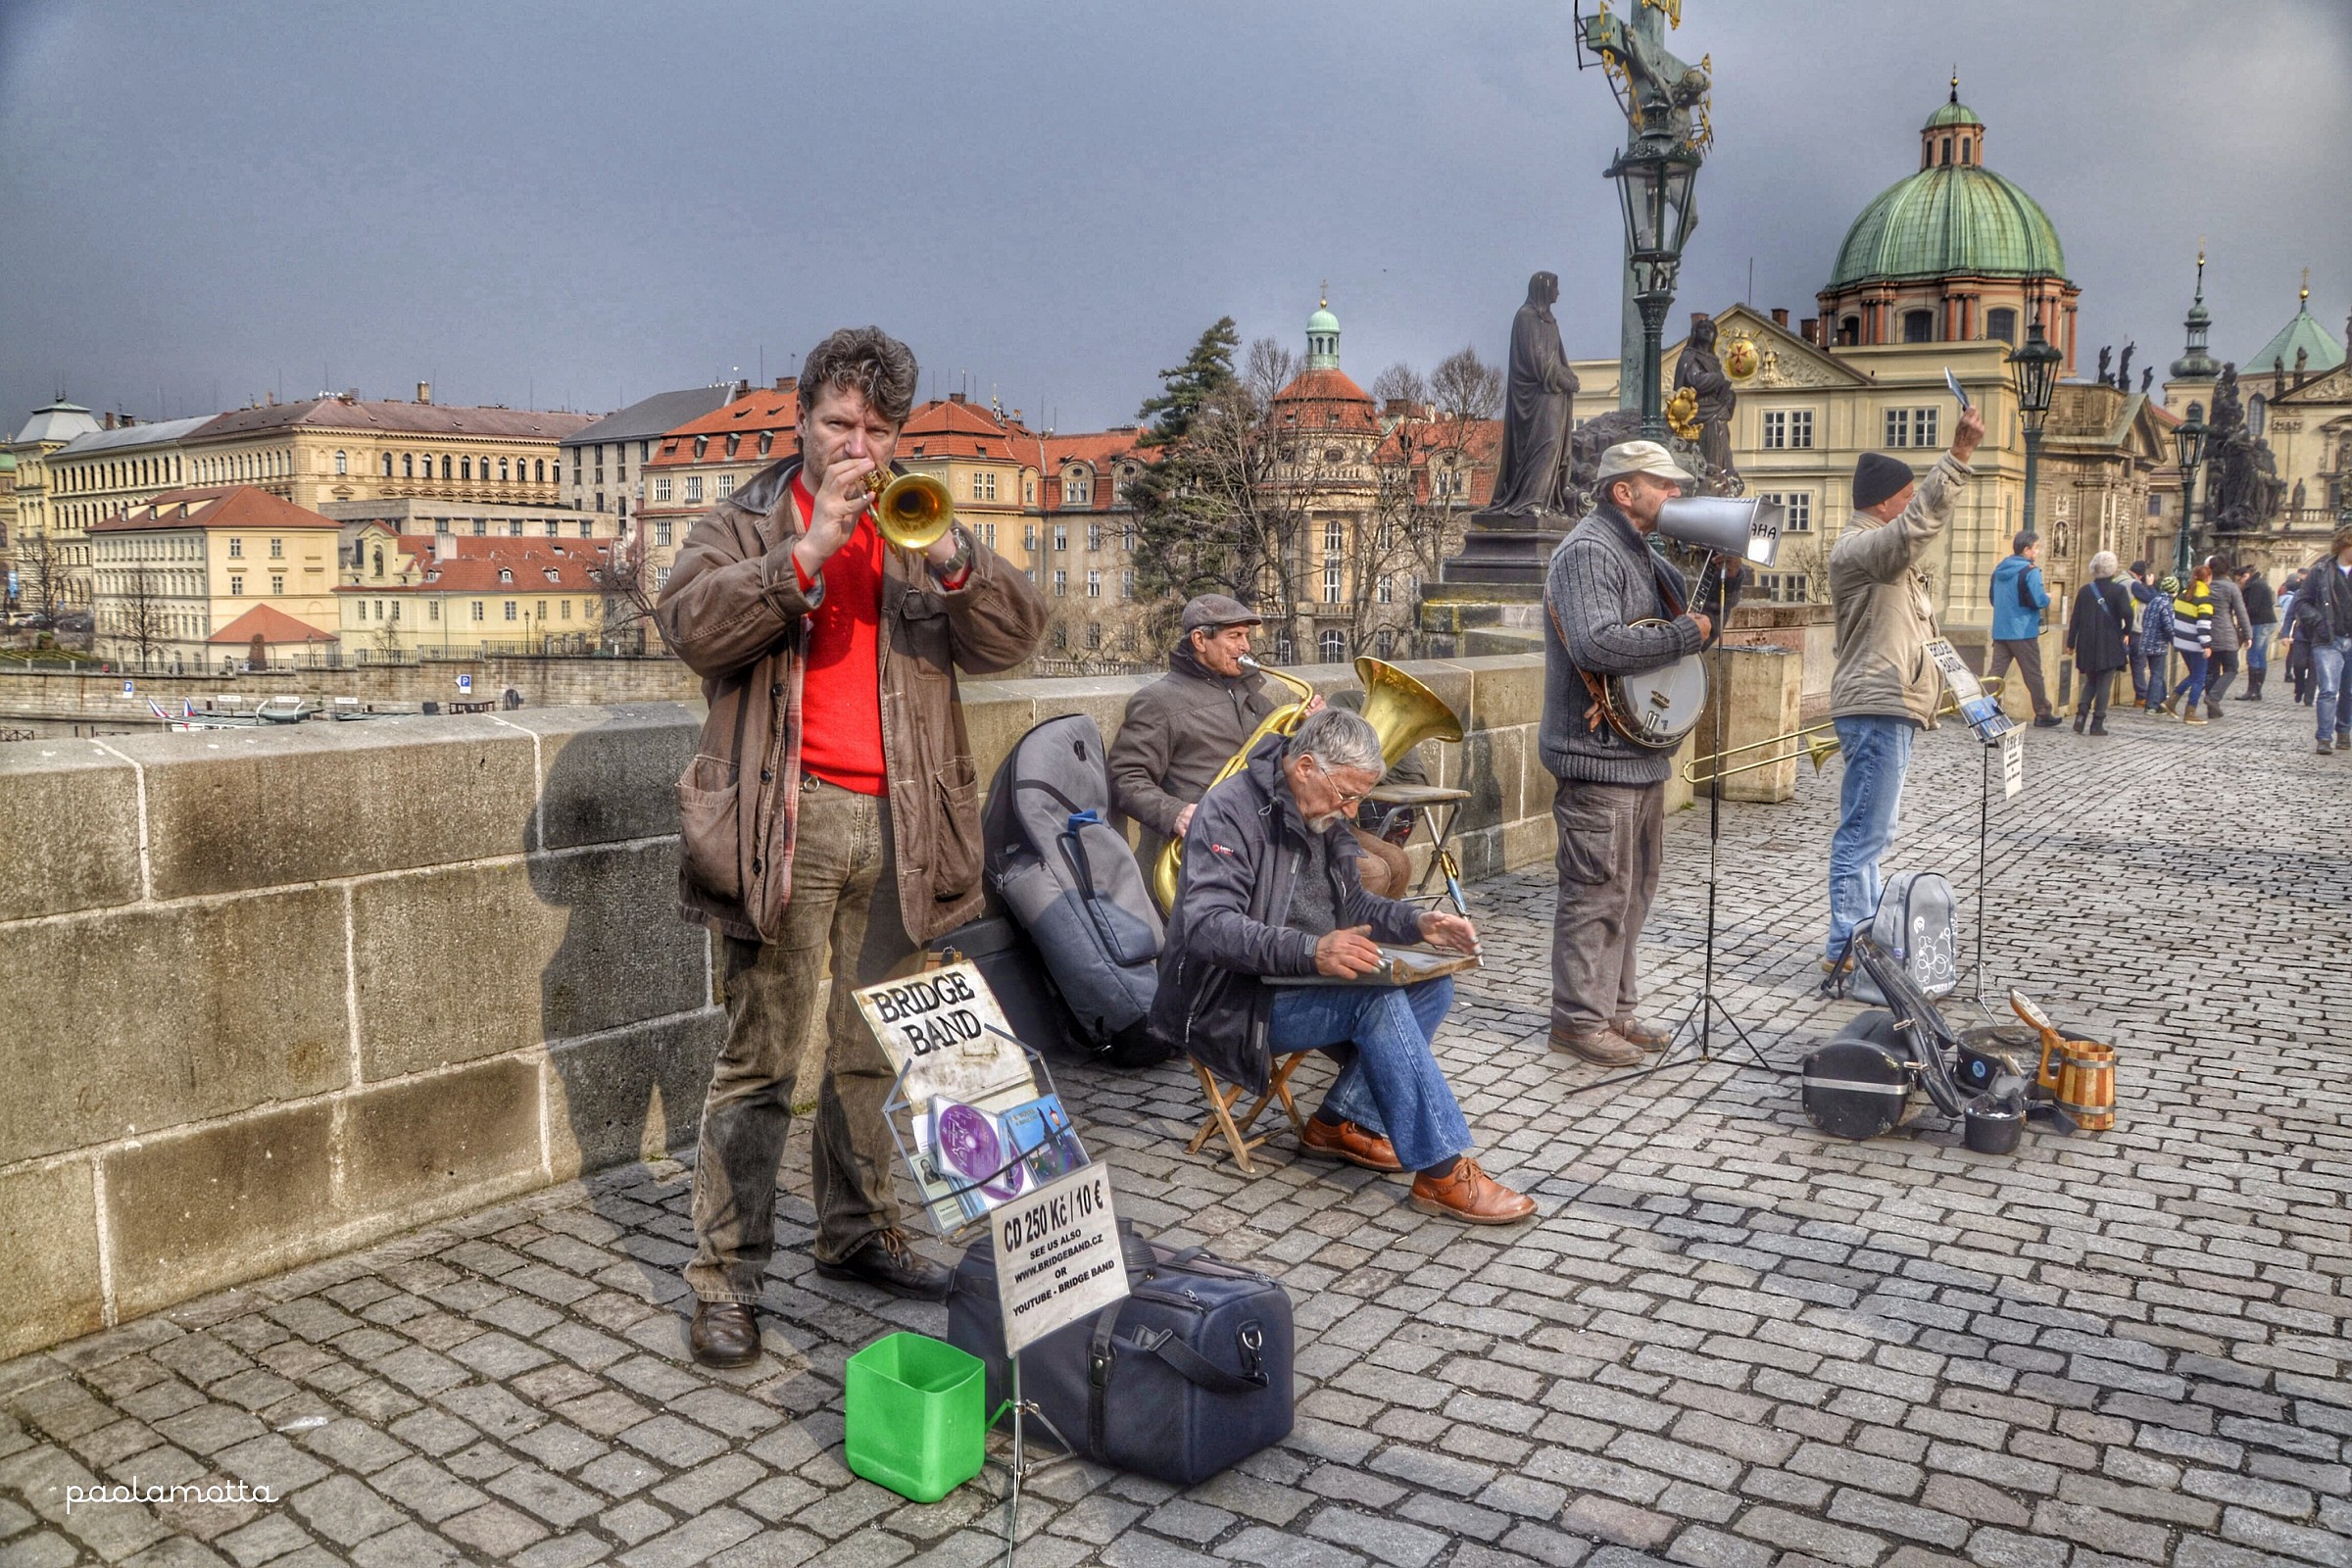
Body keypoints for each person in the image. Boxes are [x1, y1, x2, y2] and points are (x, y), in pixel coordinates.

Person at [655, 326, 1048, 1367]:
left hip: (906, 827)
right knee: (764, 1059)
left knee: (874, 1050)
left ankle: (857, 1230)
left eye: (877, 429)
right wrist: (810, 552)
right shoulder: (741, 522)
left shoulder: (921, 521)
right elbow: (692, 625)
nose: (856, 446)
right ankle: (725, 1280)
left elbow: (1018, 638)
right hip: (786, 821)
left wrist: (956, 559)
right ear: (802, 420)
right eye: (838, 423)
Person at [1152, 708, 1536, 1223]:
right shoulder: (1230, 810)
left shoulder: (1324, 812)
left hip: (1297, 980)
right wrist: (1313, 951)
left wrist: (1417, 922)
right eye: (1347, 795)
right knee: (1376, 1004)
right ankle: (1443, 1171)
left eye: (1358, 797)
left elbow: (1353, 904)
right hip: (1229, 998)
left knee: (1431, 988)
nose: (1352, 811)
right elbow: (1206, 927)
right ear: (1305, 766)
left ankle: (1338, 1121)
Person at [1541, 440, 1740, 1065]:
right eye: (1666, 485)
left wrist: (1730, 577)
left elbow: (1703, 628)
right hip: (1596, 754)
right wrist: (1689, 631)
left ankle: (1616, 1014)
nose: (1678, 495)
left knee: (1633, 892)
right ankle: (1577, 1021)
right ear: (1624, 491)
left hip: (1637, 753)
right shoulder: (1587, 553)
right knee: (1597, 890)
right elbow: (1600, 645)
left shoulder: (1646, 557)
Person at [1824, 406, 1985, 965]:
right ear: (1886, 502)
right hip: (1875, 704)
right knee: (1864, 835)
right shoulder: (1861, 548)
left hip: (1889, 704)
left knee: (1876, 832)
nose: (1912, 501)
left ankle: (1859, 941)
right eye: (1907, 494)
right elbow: (1914, 531)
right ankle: (1847, 945)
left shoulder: (1880, 553)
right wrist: (1957, 458)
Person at [1109, 594, 1278, 878]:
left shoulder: (1251, 697)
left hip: (1264, 832)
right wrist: (1176, 813)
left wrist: (1310, 727)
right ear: (1200, 641)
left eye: (1246, 636)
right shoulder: (1158, 701)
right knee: (1370, 872)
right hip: (1211, 846)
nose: (1246, 646)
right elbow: (1125, 777)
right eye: (1235, 636)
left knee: (1373, 864)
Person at [1988, 532, 2059, 727]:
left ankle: (1983, 709)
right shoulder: (2030, 571)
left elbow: (1993, 599)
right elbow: (2038, 600)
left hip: (2001, 629)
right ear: (2026, 550)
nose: (2038, 551)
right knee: (2033, 673)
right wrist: (2048, 597)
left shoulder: (1999, 570)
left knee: (1995, 673)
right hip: (2023, 630)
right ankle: (2043, 712)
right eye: (2036, 547)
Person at [2293, 523, 2352, 754]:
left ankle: (2345, 731)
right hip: (2328, 639)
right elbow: (2302, 602)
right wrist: (2317, 621)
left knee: (2349, 691)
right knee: (2328, 690)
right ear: (2344, 545)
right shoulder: (2320, 571)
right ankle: (2324, 737)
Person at [2066, 552, 2131, 735]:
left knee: (2091, 680)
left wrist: (2071, 643)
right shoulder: (2118, 590)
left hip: (2086, 642)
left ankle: (2081, 714)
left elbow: (2075, 619)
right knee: (2104, 681)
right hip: (2109, 641)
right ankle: (2097, 723)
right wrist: (2126, 632)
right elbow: (2128, 613)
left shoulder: (2085, 590)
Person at [2200, 554, 2252, 716]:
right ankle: (2213, 698)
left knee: (2211, 671)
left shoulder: (2204, 586)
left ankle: (2212, 710)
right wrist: (2248, 633)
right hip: (2225, 632)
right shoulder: (2231, 587)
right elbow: (2241, 612)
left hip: (2206, 632)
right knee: (2231, 668)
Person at [2164, 563, 2216, 725]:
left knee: (2194, 674)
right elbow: (2203, 625)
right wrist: (2206, 645)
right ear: (2208, 578)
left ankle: (2171, 701)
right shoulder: (2204, 599)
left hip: (2181, 641)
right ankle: (2190, 711)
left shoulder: (2183, 594)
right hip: (2195, 643)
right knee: (2200, 678)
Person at [2136, 577, 2177, 716]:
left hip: (2146, 642)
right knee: (2157, 675)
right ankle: (2152, 705)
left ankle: (2161, 701)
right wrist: (2175, 641)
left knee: (2158, 673)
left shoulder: (2153, 601)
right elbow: (2169, 627)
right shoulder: (2166, 604)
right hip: (2158, 644)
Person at [2126, 561, 2163, 707]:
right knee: (2139, 663)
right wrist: (2150, 585)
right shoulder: (2135, 585)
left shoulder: (2121, 579)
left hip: (2123, 627)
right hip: (2135, 628)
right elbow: (2153, 599)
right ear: (2141, 575)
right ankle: (2141, 697)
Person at [2237, 564, 2278, 701]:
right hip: (2267, 621)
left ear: (2246, 575)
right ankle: (2257, 690)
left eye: (2239, 579)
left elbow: (2252, 607)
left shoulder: (2255, 586)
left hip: (2260, 622)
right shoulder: (2260, 583)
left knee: (2253, 655)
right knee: (2260, 656)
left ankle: (2253, 690)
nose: (2240, 583)